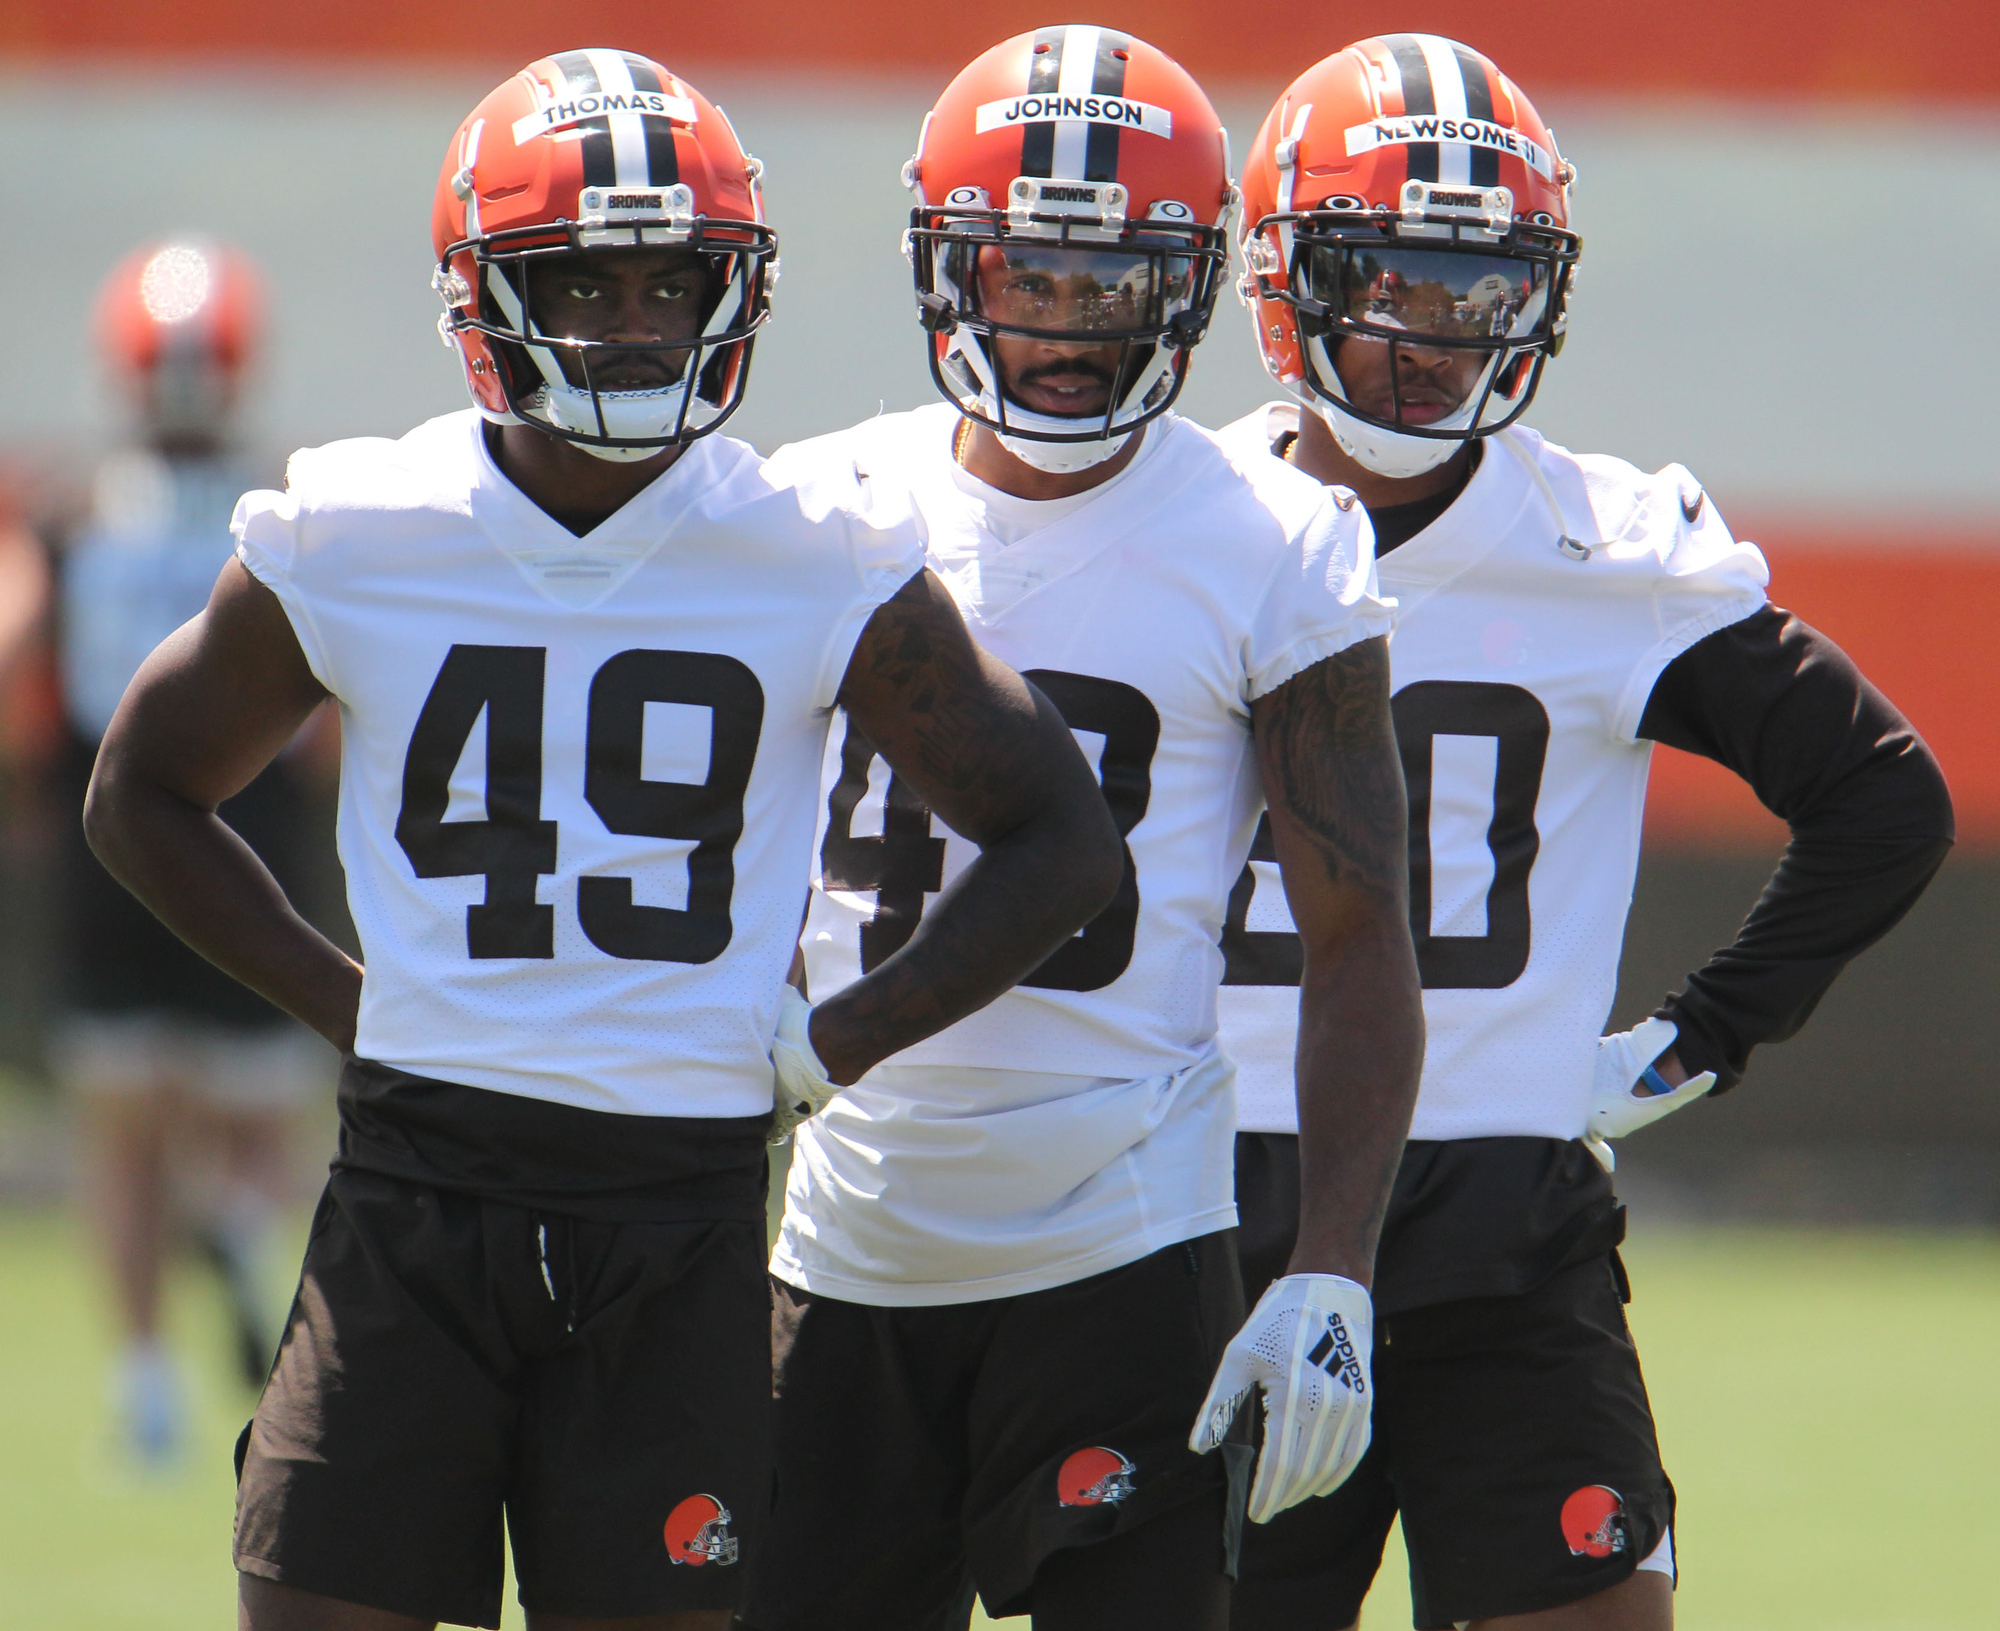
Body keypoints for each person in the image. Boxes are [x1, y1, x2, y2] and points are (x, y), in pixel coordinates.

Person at [84, 48, 1121, 1631]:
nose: (640, 327)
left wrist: (834, 1038)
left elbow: (1060, 834)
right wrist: (350, 1002)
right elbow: (140, 792)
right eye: (590, 285)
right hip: (413, 1191)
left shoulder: (810, 547)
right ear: (484, 295)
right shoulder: (361, 528)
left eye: (675, 282)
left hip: (677, 1207)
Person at [1215, 35, 1954, 1631]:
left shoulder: (1601, 545)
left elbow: (1884, 793)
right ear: (1286, 275)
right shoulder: (1183, 527)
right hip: (1214, 1197)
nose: (1432, 331)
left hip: (1500, 1203)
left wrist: (1691, 1041)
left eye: (1477, 287)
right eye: (1388, 276)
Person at [740, 29, 1422, 1631]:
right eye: (1027, 276)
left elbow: (1358, 927)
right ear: (947, 265)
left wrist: (1331, 1260)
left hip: (1122, 1229)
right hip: (847, 1222)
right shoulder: (820, 500)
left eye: (1113, 283)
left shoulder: (1272, 536)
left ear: (1190, 288)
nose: (1062, 328)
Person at [52, 239, 333, 1468]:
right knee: (262, 1130)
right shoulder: (277, 513)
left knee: (119, 1126)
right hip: (248, 841)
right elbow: (322, 724)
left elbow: (23, 666)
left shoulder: (74, 514)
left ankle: (144, 1379)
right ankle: (234, 1216)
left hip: (105, 832)